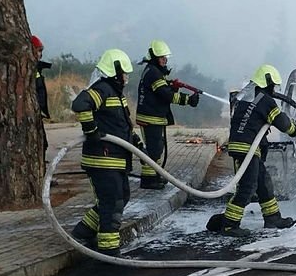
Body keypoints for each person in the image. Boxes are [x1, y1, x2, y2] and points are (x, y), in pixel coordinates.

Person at [207, 64, 296, 237]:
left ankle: (273, 217)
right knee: (247, 186)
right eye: (274, 85)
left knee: (263, 182)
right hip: (248, 149)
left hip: (245, 147)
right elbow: (283, 123)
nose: (275, 89)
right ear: (267, 82)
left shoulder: (247, 99)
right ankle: (229, 225)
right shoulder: (265, 101)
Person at [70, 49, 144, 256]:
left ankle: (84, 230)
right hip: (102, 159)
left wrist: (137, 144)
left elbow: (123, 126)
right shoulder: (101, 89)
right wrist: (91, 130)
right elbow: (79, 104)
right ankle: (109, 250)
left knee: (120, 197)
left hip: (115, 158)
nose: (126, 78)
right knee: (112, 202)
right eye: (124, 74)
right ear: (115, 71)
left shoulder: (116, 94)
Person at [136, 39, 199, 189]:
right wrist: (188, 100)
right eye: (162, 57)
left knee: (157, 148)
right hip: (150, 118)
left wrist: (172, 85)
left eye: (166, 57)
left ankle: (154, 175)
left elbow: (163, 89)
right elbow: (165, 95)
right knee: (153, 149)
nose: (165, 60)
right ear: (154, 58)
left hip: (154, 117)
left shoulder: (154, 71)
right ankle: (148, 180)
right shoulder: (154, 73)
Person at [31, 35, 52, 166]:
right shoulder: (28, 69)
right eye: (38, 51)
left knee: (42, 144)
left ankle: (41, 172)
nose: (40, 55)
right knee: (38, 144)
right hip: (32, 114)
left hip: (37, 113)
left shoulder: (35, 68)